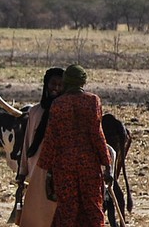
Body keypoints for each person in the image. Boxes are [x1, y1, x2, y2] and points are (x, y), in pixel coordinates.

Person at [37, 64, 113, 227]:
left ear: (66, 81)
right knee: (93, 209)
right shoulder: (93, 101)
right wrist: (107, 165)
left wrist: (44, 167)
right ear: (83, 81)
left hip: (64, 166)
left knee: (67, 210)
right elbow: (97, 135)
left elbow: (51, 138)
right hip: (89, 166)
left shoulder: (58, 104)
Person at [14, 67, 63, 226]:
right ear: (46, 85)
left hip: (58, 172)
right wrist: (21, 174)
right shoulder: (35, 112)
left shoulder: (65, 112)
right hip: (35, 171)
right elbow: (27, 142)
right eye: (52, 83)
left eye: (60, 85)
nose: (55, 88)